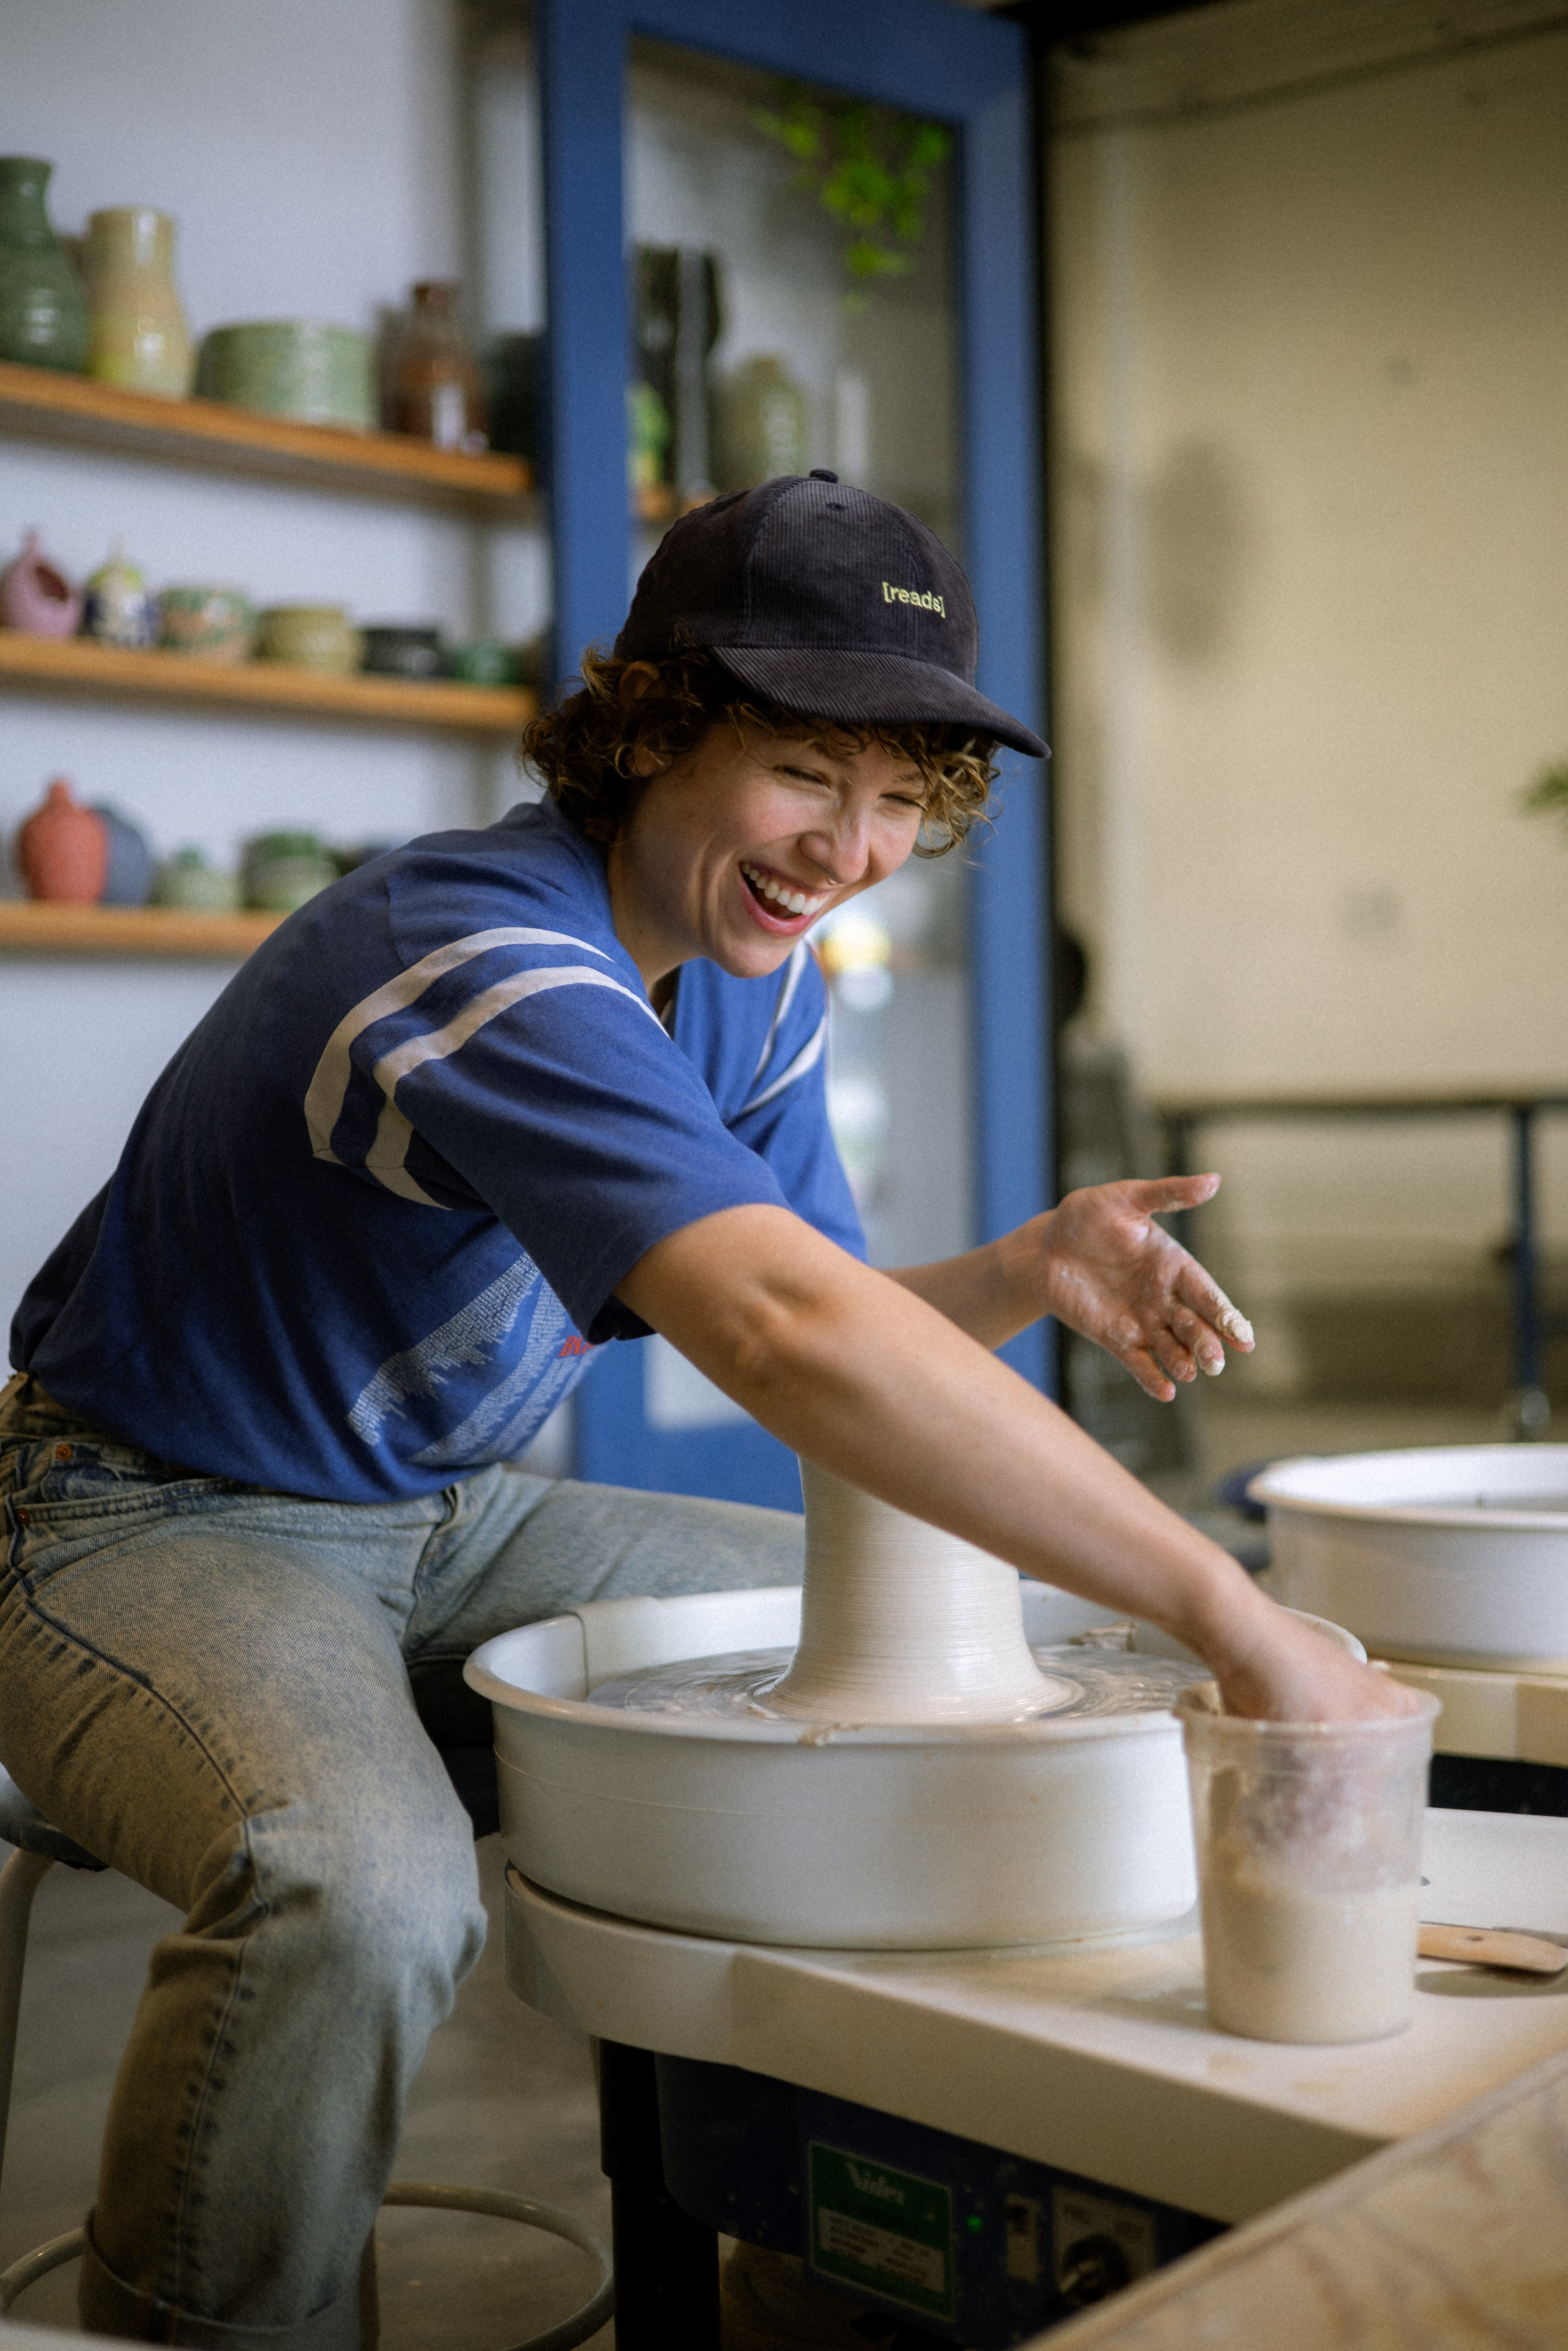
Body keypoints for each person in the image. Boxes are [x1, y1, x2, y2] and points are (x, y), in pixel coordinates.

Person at [0, 472, 1409, 2351]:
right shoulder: (476, 952)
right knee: (360, 1888)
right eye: (805, 772)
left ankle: (812, 2255)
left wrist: (1016, 1271)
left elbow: (806, 1306)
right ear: (656, 727)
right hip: (134, 1518)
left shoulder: (751, 994)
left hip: (446, 1516)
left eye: (904, 799)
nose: (846, 847)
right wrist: (1234, 1612)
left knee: (949, 1671)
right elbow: (780, 1332)